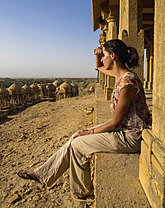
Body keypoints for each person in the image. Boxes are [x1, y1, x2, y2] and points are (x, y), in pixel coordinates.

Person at [17, 39, 150, 202]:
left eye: (105, 55)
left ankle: (81, 191)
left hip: (130, 136)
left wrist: (88, 131)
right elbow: (99, 67)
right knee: (75, 137)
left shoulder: (128, 83)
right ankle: (41, 173)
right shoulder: (120, 75)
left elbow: (115, 123)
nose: (102, 59)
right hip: (124, 129)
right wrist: (97, 54)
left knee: (78, 144)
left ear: (113, 56)